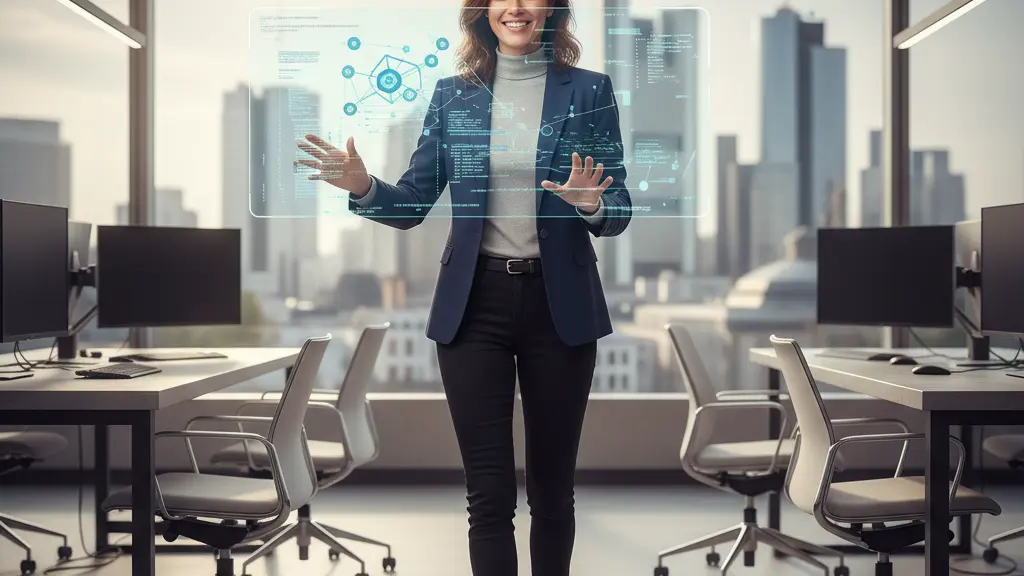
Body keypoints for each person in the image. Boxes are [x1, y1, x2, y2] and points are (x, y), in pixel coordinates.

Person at [296, 0, 631, 573]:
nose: (518, 8)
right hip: (475, 306)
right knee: (489, 497)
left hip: (561, 308)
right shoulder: (455, 95)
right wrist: (365, 186)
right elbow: (413, 204)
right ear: (485, 11)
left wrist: (592, 202)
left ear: (552, 11)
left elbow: (619, 206)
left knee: (553, 492)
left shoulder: (589, 91)